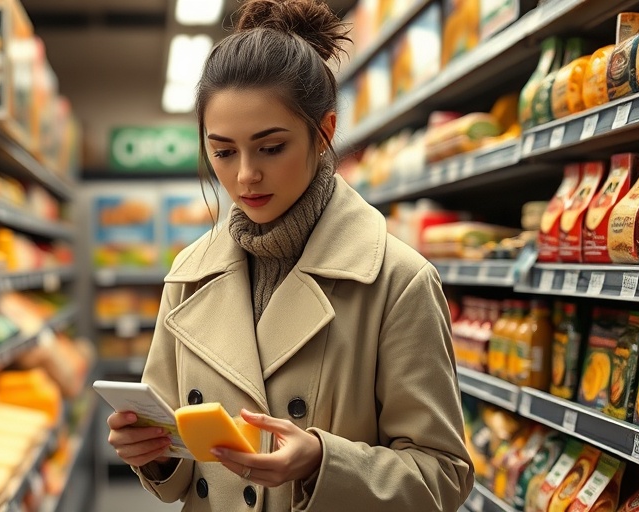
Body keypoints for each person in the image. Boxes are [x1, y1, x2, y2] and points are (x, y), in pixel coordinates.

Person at [106, 0, 475, 509]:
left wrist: (323, 463)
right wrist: (154, 454)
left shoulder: (397, 281)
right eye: (223, 151)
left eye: (271, 147)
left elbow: (445, 475)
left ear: (323, 133)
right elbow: (179, 459)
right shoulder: (188, 276)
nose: (244, 176)